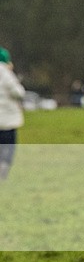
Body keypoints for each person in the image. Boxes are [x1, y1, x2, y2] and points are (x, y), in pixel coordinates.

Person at [0, 47, 25, 180]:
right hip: (7, 119)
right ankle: (3, 169)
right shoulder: (5, 73)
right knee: (8, 146)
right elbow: (19, 92)